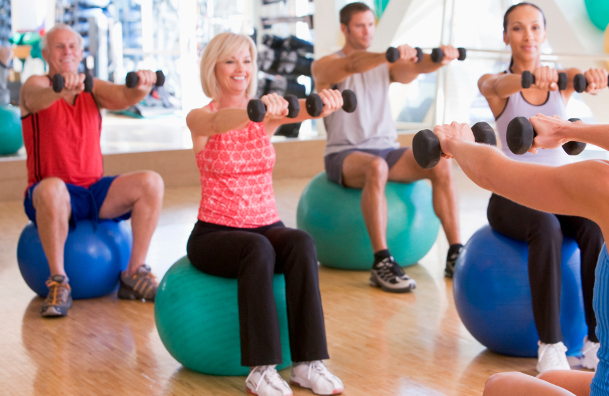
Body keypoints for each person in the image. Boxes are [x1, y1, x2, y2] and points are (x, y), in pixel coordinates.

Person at [432, 30, 609, 395]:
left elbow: (493, 173)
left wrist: (458, 143)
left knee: (500, 385)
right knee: (551, 379)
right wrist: (566, 129)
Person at [185, 32, 344, 396]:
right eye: (230, 61)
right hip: (214, 232)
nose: (240, 69)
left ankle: (307, 364)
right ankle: (262, 369)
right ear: (214, 67)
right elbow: (218, 123)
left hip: (265, 224)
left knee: (301, 241)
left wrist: (325, 100)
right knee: (258, 250)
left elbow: (302, 108)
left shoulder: (263, 115)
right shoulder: (200, 117)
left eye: (246, 60)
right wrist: (252, 110)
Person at [476, 2, 609, 372]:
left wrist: (594, 77)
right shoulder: (494, 85)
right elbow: (499, 84)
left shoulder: (561, 78)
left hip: (555, 192)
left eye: (535, 28)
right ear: (506, 36)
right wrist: (528, 78)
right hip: (510, 196)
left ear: (545, 33)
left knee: (595, 226)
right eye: (518, 28)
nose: (528, 36)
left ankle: (595, 342)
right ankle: (550, 345)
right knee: (546, 227)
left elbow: (582, 76)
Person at [311, 2, 464, 293]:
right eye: (360, 25)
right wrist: (385, 55)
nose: (367, 31)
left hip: (386, 148)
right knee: (375, 167)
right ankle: (381, 262)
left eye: (371, 24)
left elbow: (415, 68)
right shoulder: (325, 65)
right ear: (344, 29)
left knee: (441, 161)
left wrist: (439, 58)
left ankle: (455, 253)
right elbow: (352, 64)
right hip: (343, 154)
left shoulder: (386, 64)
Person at [20, 24, 164, 318]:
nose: (67, 52)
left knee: (151, 182)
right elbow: (35, 99)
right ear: (46, 53)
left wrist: (142, 85)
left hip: (92, 191)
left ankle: (134, 273)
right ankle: (59, 281)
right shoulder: (36, 84)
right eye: (59, 47)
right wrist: (60, 89)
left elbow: (124, 96)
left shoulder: (92, 87)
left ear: (82, 52)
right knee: (52, 187)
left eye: (73, 47)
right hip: (49, 194)